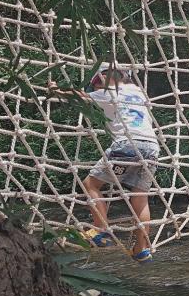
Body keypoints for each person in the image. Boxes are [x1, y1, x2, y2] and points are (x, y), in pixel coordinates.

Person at [48, 63, 160, 262]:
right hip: (152, 146)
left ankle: (101, 230)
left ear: (103, 80)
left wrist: (56, 89)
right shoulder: (137, 92)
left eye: (97, 84)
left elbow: (78, 95)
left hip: (127, 144)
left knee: (91, 184)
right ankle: (141, 249)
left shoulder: (108, 93)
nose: (97, 89)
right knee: (140, 197)